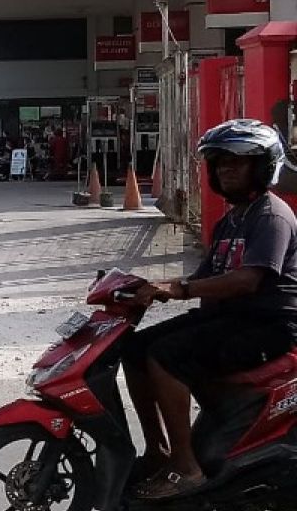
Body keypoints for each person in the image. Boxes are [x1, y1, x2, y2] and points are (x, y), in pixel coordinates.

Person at [123, 119, 297, 500]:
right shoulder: (231, 219)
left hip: (268, 324)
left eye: (237, 162)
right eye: (220, 163)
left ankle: (187, 468)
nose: (225, 170)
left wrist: (179, 289)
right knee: (133, 349)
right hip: (230, 317)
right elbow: (209, 275)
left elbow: (247, 281)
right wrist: (145, 287)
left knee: (166, 355)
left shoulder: (271, 216)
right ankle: (158, 451)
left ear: (263, 167)